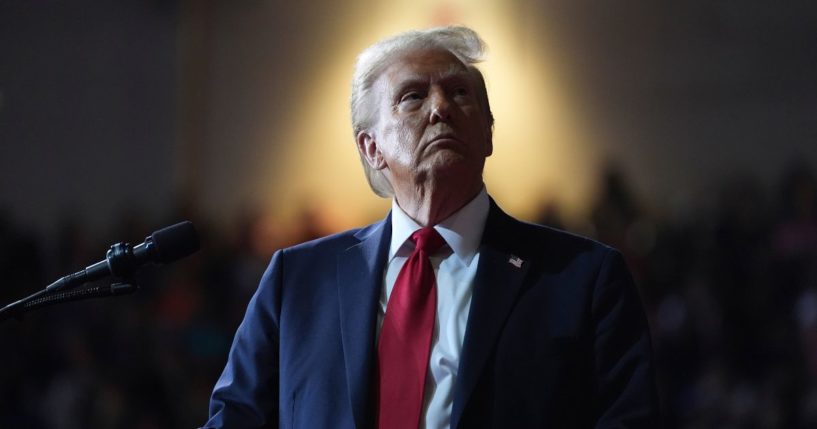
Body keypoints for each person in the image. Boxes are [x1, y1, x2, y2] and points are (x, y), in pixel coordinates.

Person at [202, 26, 659, 428]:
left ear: (488, 133)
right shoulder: (298, 279)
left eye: (460, 93)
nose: (441, 108)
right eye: (413, 97)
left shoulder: (584, 278)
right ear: (371, 148)